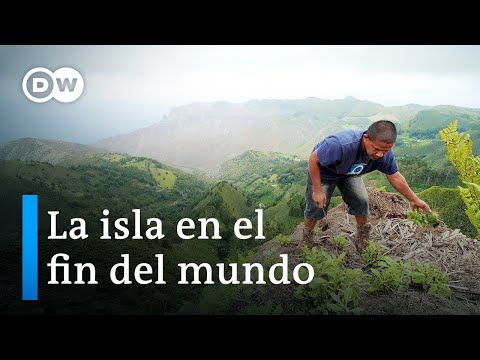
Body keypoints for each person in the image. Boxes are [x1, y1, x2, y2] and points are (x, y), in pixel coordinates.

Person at [303, 120, 431, 252]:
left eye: (385, 151)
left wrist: (414, 199)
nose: (380, 154)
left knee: (361, 200)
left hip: (351, 173)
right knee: (316, 207)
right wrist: (317, 190)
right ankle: (307, 237)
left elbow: (395, 177)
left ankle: (362, 236)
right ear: (366, 138)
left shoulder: (384, 155)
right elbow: (313, 160)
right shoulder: (340, 145)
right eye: (376, 149)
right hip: (325, 173)